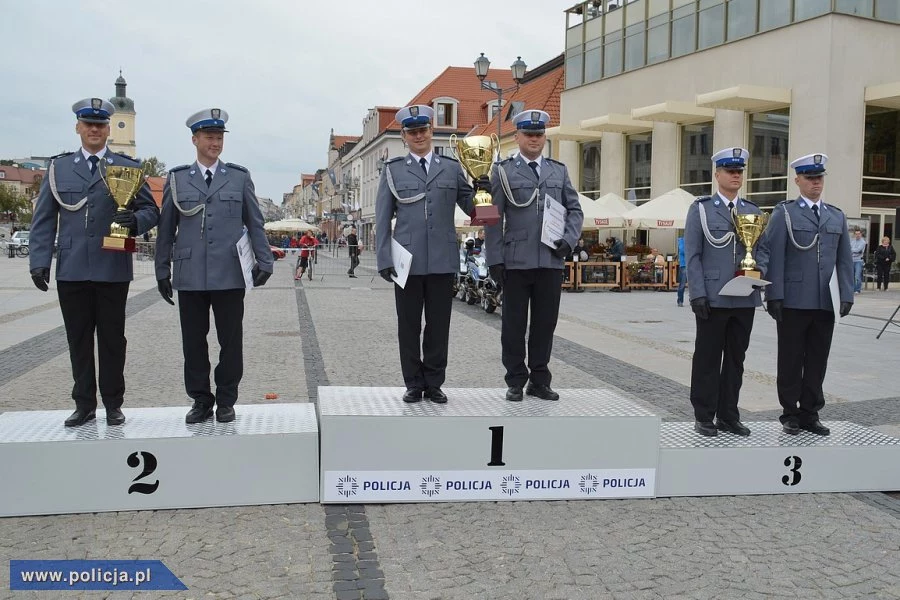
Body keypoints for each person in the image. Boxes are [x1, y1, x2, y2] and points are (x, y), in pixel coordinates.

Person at [29, 97, 159, 427]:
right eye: (88, 124)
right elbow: (44, 219)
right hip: (72, 268)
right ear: (78, 128)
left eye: (100, 125)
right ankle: (84, 403)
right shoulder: (59, 169)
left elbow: (150, 211)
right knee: (78, 339)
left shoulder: (126, 167)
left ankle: (114, 403)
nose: (94, 130)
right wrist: (39, 260)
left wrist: (135, 222)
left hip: (112, 265)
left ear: (107, 130)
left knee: (113, 339)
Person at [155, 108, 273, 424]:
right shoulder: (178, 179)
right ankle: (200, 400)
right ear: (195, 139)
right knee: (193, 342)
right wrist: (161, 269)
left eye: (219, 137)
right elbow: (166, 227)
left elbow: (255, 222)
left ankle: (226, 399)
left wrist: (265, 260)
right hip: (190, 273)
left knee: (231, 342)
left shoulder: (238, 177)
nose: (215, 142)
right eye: (209, 136)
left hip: (230, 272)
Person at [375, 105, 476, 403]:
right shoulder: (393, 170)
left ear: (432, 131)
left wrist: (485, 189)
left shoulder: (451, 168)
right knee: (408, 326)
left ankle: (434, 382)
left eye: (423, 130)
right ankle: (413, 383)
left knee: (438, 325)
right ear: (404, 136)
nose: (419, 135)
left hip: (442, 260)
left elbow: (475, 210)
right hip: (406, 261)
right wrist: (384, 258)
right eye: (412, 132)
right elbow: (382, 218)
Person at [485, 109, 583, 402]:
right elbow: (492, 217)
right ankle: (515, 379)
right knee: (513, 325)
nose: (534, 139)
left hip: (550, 260)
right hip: (515, 261)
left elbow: (575, 209)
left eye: (539, 134)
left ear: (544, 137)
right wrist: (494, 258)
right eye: (528, 134)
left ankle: (540, 379)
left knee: (545, 324)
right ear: (517, 137)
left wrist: (568, 241)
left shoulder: (558, 170)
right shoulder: (502, 171)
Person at [757, 153, 853, 437]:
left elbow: (844, 260)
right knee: (790, 359)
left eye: (819, 178)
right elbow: (773, 254)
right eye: (810, 178)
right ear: (797, 180)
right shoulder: (784, 213)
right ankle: (790, 413)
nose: (815, 183)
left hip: (826, 301)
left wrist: (846, 293)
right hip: (794, 300)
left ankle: (811, 412)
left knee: (817, 359)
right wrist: (773, 295)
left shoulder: (836, 215)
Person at [684, 147, 761, 437]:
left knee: (735, 359)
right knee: (707, 357)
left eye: (739, 171)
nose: (735, 175)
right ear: (717, 174)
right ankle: (704, 414)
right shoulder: (701, 209)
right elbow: (692, 255)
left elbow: (760, 250)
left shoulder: (752, 211)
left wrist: (757, 271)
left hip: (743, 296)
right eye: (730, 171)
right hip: (713, 296)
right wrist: (697, 294)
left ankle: (729, 414)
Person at [849, 229, 866, 294]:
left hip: (859, 261)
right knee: (851, 276)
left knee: (857, 276)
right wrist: (854, 251)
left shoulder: (863, 242)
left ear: (861, 234)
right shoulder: (852, 241)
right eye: (856, 234)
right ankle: (852, 289)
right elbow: (849, 248)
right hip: (852, 260)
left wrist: (852, 250)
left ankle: (857, 289)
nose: (857, 235)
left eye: (859, 234)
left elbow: (859, 250)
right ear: (854, 234)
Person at [676, 236, 687, 307]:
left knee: (694, 284)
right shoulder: (681, 240)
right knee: (682, 284)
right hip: (684, 265)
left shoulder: (693, 239)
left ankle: (693, 300)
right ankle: (680, 300)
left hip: (692, 264)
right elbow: (682, 251)